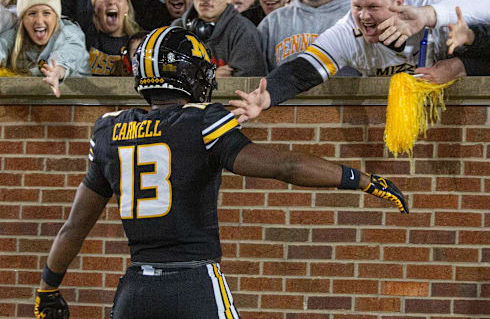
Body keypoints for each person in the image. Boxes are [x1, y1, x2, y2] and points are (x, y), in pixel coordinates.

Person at [32, 26, 408, 319]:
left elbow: (74, 227)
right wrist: (362, 180)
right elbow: (286, 166)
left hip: (135, 291)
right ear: (186, 74)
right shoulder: (202, 122)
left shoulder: (109, 130)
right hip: (194, 284)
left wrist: (48, 288)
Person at [230, 0, 451, 121]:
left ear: (399, 2)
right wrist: (268, 95)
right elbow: (303, 69)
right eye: (357, 7)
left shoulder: (441, 12)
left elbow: (485, 18)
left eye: (373, 7)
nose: (364, 16)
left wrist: (458, 65)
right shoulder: (346, 31)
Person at [172, 0, 266, 77]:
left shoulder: (243, 31)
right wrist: (208, 77)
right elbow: (168, 78)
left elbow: (246, 86)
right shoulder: (176, 29)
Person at [0, 0, 89, 97]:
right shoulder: (15, 34)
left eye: (46, 13)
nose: (39, 21)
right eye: (32, 13)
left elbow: (69, 53)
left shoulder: (70, 32)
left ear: (56, 16)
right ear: (22, 19)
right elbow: (2, 47)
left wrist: (57, 71)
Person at [62, 0, 142, 76]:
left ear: (127, 6)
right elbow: (69, 3)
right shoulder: (83, 38)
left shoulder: (140, 42)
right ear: (93, 8)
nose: (111, 2)